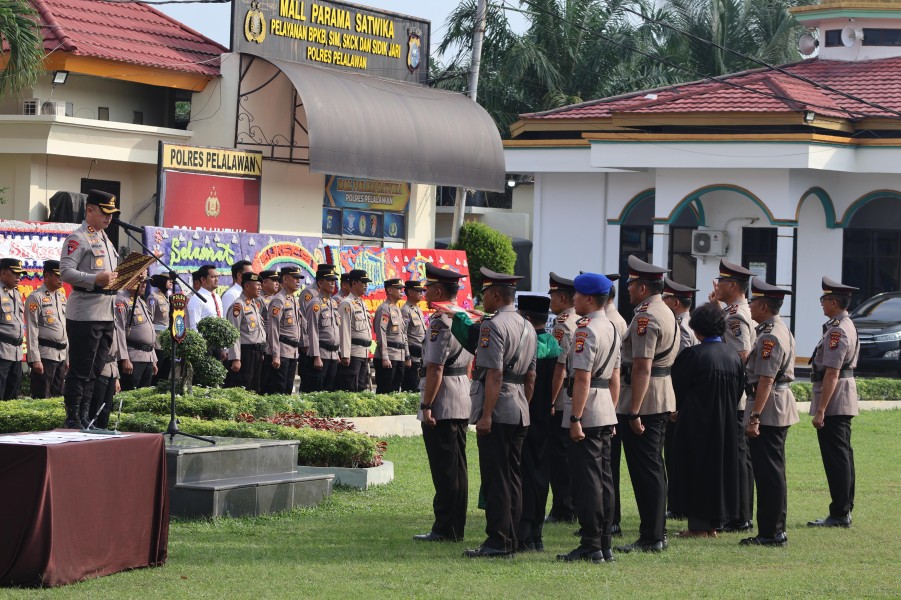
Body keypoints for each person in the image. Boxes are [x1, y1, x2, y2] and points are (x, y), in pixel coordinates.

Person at [464, 267, 537, 559]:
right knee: (513, 476)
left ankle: (498, 540)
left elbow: (494, 374)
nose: (484, 299)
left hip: (498, 409)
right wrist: (525, 406)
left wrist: (486, 415)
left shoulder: (492, 326)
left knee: (496, 477)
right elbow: (531, 376)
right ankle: (512, 537)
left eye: (485, 293)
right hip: (519, 408)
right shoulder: (528, 325)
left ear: (496, 294)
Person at [555, 273, 620, 564]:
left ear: (589, 299)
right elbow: (615, 376)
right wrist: (612, 411)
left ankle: (591, 543)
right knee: (604, 479)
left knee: (588, 481)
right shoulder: (611, 326)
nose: (574, 300)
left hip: (588, 409)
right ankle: (603, 542)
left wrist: (576, 418)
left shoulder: (586, 330)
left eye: (577, 296)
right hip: (604, 406)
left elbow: (581, 378)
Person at [615, 255, 678, 554]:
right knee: (652, 466)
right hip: (658, 394)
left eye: (631, 285)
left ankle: (652, 535)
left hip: (646, 399)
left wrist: (635, 410)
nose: (627, 290)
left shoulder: (646, 317)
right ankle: (654, 533)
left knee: (646, 469)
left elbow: (642, 366)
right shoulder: (663, 310)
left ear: (642, 288)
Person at [670, 302, 743, 537]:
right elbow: (739, 389)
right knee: (720, 470)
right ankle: (715, 524)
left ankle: (698, 526)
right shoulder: (733, 357)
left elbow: (678, 388)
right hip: (726, 422)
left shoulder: (693, 355)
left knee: (697, 468)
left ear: (697, 330)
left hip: (697, 422)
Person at [413, 263, 473, 543]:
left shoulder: (440, 321)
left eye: (427, 288)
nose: (424, 292)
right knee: (457, 466)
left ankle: (446, 527)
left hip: (443, 399)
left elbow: (435, 367)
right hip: (460, 393)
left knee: (445, 468)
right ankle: (454, 525)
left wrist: (427, 406)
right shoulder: (463, 316)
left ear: (438, 290)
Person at [741, 277, 798, 547]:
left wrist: (755, 417)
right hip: (774, 404)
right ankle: (773, 530)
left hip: (769, 408)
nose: (749, 305)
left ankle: (772, 533)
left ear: (763, 306)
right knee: (770, 470)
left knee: (768, 472)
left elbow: (765, 379)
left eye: (753, 301)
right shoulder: (775, 329)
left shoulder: (770, 336)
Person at [59, 190, 120, 428]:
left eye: (112, 214)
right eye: (105, 212)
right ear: (90, 209)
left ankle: (86, 416)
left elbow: (112, 277)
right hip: (85, 313)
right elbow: (66, 272)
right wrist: (95, 279)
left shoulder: (106, 239)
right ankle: (73, 416)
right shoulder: (78, 238)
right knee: (81, 369)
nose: (109, 218)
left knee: (95, 370)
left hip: (106, 312)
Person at [807, 277, 859, 529]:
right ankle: (844, 508)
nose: (822, 304)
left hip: (835, 399)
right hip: (841, 396)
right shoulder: (843, 324)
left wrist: (821, 410)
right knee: (843, 455)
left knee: (836, 457)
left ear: (834, 302)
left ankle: (839, 512)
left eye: (824, 300)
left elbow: (832, 372)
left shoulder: (837, 329)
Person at [711, 259, 757, 533]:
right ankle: (738, 513)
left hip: (735, 397)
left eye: (721, 281)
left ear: (732, 285)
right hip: (734, 396)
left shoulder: (737, 316)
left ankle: (741, 516)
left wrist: (731, 393)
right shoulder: (732, 312)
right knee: (737, 455)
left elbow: (742, 358)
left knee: (739, 456)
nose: (717, 285)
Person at [516, 294, 560, 552]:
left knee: (524, 473)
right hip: (547, 413)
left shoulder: (528, 344)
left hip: (526, 412)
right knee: (541, 473)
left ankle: (523, 531)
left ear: (527, 318)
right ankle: (536, 535)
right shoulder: (554, 343)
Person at [661, 276, 699, 520]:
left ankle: (679, 504)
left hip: (677, 398)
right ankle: (677, 503)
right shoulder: (684, 323)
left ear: (674, 303)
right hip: (678, 398)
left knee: (676, 454)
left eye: (664, 298)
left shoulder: (682, 327)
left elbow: (681, 368)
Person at [545, 272, 579, 525]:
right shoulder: (579, 319)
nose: (550, 299)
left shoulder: (563, 324)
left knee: (558, 455)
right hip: (573, 393)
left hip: (562, 397)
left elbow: (560, 366)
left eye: (553, 295)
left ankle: (563, 508)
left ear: (563, 297)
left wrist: (550, 400)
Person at [605, 272, 628, 538]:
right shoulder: (614, 319)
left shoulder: (612, 322)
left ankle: (611, 519)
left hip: (611, 400)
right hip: (612, 399)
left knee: (608, 465)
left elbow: (615, 370)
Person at [25, 260, 68, 398]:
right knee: (42, 397)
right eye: (58, 275)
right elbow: (32, 329)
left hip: (61, 355)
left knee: (58, 398)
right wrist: (35, 359)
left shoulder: (62, 297)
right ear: (47, 275)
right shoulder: (35, 297)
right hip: (45, 356)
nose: (61, 279)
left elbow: (66, 329)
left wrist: (68, 357)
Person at [301, 264, 341, 392]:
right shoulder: (315, 303)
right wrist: (316, 356)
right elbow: (312, 330)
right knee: (315, 390)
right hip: (321, 354)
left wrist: (337, 352)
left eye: (334, 280)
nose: (332, 283)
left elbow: (335, 329)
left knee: (329, 391)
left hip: (333, 355)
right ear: (320, 283)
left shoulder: (333, 303)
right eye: (329, 281)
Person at [225, 272, 266, 391]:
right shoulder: (238, 305)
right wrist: (236, 358)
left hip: (257, 353)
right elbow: (233, 333)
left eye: (260, 285)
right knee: (244, 386)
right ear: (247, 286)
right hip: (245, 354)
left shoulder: (253, 304)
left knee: (254, 388)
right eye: (257, 285)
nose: (260, 288)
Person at [264, 267, 303, 394]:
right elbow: (273, 329)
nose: (298, 281)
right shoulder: (278, 300)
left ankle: (286, 415)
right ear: (285, 279)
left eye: (299, 279)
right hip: (281, 352)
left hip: (293, 352)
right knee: (278, 389)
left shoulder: (293, 300)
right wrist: (275, 355)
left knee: (287, 388)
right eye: (295, 278)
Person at [116, 277, 157, 390]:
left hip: (147, 357)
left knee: (143, 398)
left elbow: (150, 331)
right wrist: (124, 359)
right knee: (130, 394)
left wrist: (153, 359)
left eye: (145, 282)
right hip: (133, 357)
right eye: (141, 281)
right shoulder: (121, 300)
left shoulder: (140, 301)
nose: (144, 285)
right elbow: (119, 331)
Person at [336, 269, 372, 392]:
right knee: (350, 387)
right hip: (353, 353)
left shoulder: (362, 303)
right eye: (363, 282)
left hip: (364, 352)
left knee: (361, 387)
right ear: (355, 283)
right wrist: (345, 354)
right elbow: (343, 329)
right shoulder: (346, 303)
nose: (366, 285)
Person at [90, 310, 126, 429]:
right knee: (96, 408)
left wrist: (116, 377)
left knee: (106, 409)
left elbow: (114, 352)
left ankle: (103, 434)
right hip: (99, 368)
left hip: (111, 369)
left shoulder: (113, 315)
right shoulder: (97, 315)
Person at [374, 279, 410, 394]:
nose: (401, 291)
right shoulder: (384, 308)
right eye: (398, 288)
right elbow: (381, 333)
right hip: (388, 356)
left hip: (399, 356)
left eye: (402, 289)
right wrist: (385, 356)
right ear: (389, 290)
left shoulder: (397, 309)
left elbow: (403, 334)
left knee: (395, 391)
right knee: (385, 391)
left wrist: (406, 355)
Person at [0, 258, 26, 400]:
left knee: (12, 394)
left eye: (20, 274)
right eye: (15, 273)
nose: (18, 277)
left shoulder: (15, 293)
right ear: (3, 273)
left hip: (16, 352)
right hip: (1, 351)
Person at [401, 279, 427, 392]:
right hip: (412, 357)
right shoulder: (405, 311)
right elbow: (403, 335)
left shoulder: (417, 309)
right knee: (411, 389)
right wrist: (407, 356)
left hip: (421, 356)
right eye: (419, 291)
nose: (422, 294)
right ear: (410, 293)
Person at [257, 269, 281, 392]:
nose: (277, 283)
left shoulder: (274, 298)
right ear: (264, 283)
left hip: (274, 344)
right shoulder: (259, 299)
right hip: (265, 345)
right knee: (264, 380)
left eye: (278, 281)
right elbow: (258, 324)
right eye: (274, 280)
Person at [147, 273, 171, 383]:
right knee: (157, 372)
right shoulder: (153, 298)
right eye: (168, 280)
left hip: (167, 340)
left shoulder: (167, 297)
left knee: (165, 372)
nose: (171, 282)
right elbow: (149, 320)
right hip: (157, 340)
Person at [187, 265, 223, 329]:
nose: (217, 280)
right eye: (213, 277)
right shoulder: (196, 299)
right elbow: (194, 327)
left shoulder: (217, 297)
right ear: (203, 279)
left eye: (217, 276)